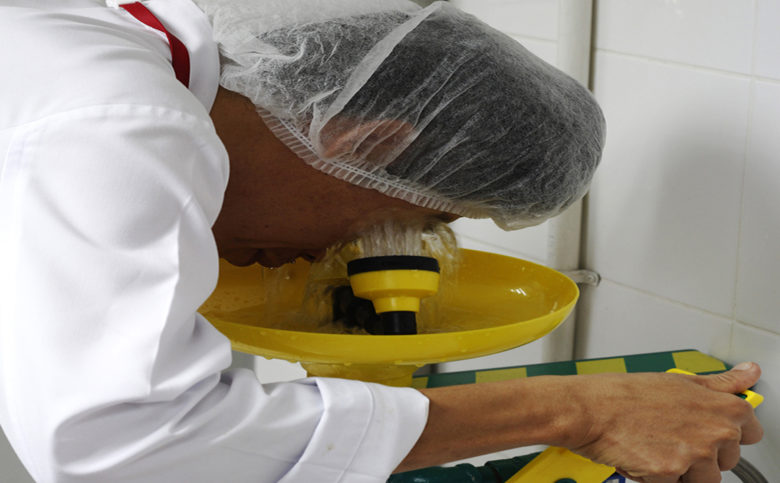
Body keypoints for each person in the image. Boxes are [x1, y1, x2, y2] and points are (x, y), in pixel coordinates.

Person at [0, 1, 762, 482]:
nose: (349, 257)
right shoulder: (127, 126)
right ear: (361, 141)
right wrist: (574, 409)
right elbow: (131, 449)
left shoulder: (105, 44)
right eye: (423, 222)